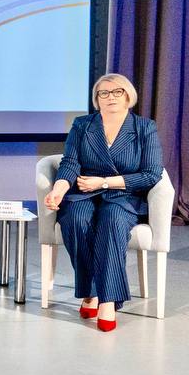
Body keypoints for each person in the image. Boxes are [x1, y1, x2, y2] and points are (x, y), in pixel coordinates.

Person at [42, 73, 163, 332]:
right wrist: (59, 190)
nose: (110, 97)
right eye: (104, 93)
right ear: (97, 99)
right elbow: (70, 163)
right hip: (84, 191)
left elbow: (151, 174)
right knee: (74, 219)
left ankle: (107, 300)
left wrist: (105, 182)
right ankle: (91, 292)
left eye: (117, 92)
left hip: (123, 195)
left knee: (111, 221)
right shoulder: (83, 125)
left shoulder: (144, 127)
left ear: (128, 96)